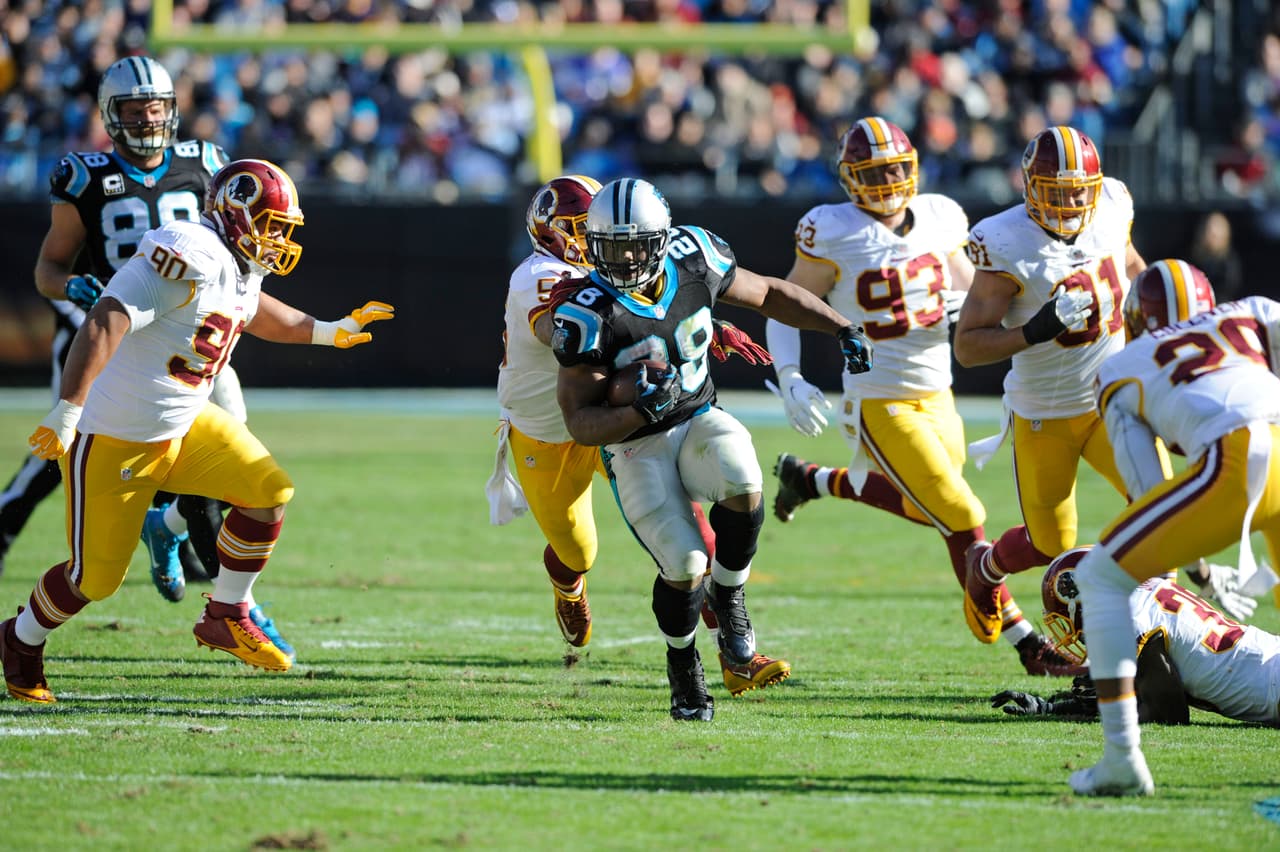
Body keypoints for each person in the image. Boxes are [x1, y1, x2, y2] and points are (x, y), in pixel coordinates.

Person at [0, 158, 394, 704]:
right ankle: (19, 639)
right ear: (234, 212)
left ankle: (227, 612)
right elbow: (106, 318)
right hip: (117, 438)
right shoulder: (188, 249)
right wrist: (68, 408)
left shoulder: (236, 262)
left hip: (185, 424)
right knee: (93, 581)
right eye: (272, 224)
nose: (278, 239)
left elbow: (254, 311)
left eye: (283, 228)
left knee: (269, 490)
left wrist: (331, 332)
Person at [764, 117, 1080, 677]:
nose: (887, 182)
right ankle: (1028, 644)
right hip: (878, 400)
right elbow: (784, 300)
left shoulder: (941, 215)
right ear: (848, 178)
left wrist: (969, 306)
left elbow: (969, 290)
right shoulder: (830, 230)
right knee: (963, 514)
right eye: (874, 172)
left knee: (927, 507)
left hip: (939, 394)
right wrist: (789, 373)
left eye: (894, 169)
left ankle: (811, 479)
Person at [552, 177, 873, 721]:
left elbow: (769, 293)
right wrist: (635, 410)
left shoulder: (695, 255)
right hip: (635, 445)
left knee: (743, 473)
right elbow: (580, 421)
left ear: (662, 238)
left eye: (636, 246)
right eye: (613, 248)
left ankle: (730, 598)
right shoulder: (587, 311)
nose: (626, 260)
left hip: (697, 416)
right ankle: (683, 666)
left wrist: (841, 326)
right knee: (684, 563)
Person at [3, 56, 281, 637]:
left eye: (156, 108)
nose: (149, 119)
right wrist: (71, 286)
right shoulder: (84, 175)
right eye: (135, 110)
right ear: (112, 115)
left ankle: (218, 580)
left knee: (237, 462)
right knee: (66, 445)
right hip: (117, 335)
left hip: (189, 341)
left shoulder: (203, 162)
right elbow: (50, 268)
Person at [491, 174, 790, 696]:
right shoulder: (540, 276)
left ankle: (734, 655)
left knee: (693, 538)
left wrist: (707, 326)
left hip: (624, 422)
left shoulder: (621, 268)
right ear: (551, 232)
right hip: (548, 432)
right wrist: (573, 309)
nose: (595, 239)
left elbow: (652, 310)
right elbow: (556, 331)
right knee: (578, 550)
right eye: (579, 229)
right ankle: (568, 584)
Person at [1067, 259, 1280, 796]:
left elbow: (1145, 490)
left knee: (1101, 577)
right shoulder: (1251, 311)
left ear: (1135, 319)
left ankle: (1121, 759)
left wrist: (1193, 561)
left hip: (1239, 458)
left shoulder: (1120, 368)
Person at [952, 125, 1147, 647]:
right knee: (1049, 543)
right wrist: (1035, 330)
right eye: (1056, 193)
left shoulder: (1113, 203)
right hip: (1046, 412)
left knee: (1162, 503)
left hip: (1113, 401)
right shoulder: (1004, 240)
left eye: (1080, 190)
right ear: (1029, 186)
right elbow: (967, 347)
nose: (1071, 203)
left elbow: (1130, 268)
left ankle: (1160, 630)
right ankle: (986, 566)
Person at [990, 546, 1276, 727]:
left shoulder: (1128, 617)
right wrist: (1054, 706)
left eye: (1069, 620)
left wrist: (1084, 708)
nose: (1075, 633)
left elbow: (1168, 713)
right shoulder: (1143, 592)